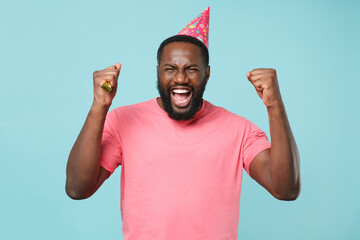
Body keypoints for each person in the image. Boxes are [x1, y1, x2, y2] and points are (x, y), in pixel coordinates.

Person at [66, 7, 300, 240]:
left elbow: (286, 189)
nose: (180, 78)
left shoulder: (239, 130)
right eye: (170, 69)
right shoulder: (121, 121)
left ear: (207, 74)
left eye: (192, 69)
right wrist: (100, 106)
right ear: (158, 73)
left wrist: (275, 106)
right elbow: (78, 188)